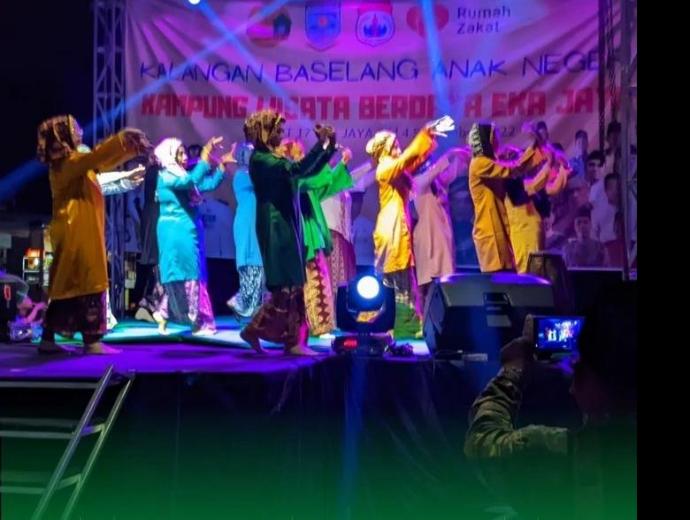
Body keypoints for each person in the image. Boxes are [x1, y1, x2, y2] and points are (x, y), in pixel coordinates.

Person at [464, 284, 636, 519]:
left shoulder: (556, 454)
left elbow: (481, 444)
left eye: (582, 361)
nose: (575, 367)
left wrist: (512, 371)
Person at [36, 115, 152, 354]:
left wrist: (128, 150)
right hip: (77, 234)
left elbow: (101, 163)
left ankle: (48, 339)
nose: (79, 131)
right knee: (88, 282)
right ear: (63, 136)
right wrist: (123, 140)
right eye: (74, 129)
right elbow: (96, 157)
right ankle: (92, 341)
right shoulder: (68, 163)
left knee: (65, 286)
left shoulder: (73, 165)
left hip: (76, 232)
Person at [239, 109, 336, 356]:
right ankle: (288, 340)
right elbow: (297, 169)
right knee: (287, 286)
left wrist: (328, 146)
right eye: (278, 130)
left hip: (287, 223)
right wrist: (320, 145)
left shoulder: (272, 158)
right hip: (275, 226)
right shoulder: (262, 160)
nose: (282, 134)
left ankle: (283, 338)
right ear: (265, 132)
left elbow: (307, 172)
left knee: (293, 284)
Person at [365, 115, 455, 338]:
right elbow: (405, 160)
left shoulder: (396, 169)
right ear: (386, 149)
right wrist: (424, 132)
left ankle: (404, 323)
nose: (398, 147)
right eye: (394, 145)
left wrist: (429, 137)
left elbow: (412, 161)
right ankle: (397, 323)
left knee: (401, 274)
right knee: (394, 275)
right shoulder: (384, 168)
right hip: (391, 227)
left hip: (398, 225)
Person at [152, 136, 231, 336]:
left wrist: (221, 166)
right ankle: (199, 322)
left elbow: (206, 184)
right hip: (174, 231)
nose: (185, 157)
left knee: (188, 273)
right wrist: (204, 157)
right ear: (169, 156)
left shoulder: (181, 175)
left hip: (187, 230)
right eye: (179, 153)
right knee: (188, 274)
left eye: (184, 152)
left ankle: (163, 313)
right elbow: (189, 181)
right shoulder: (166, 176)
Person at [278, 139, 354, 338]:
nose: (304, 157)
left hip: (310, 233)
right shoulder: (290, 177)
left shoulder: (302, 180)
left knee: (315, 280)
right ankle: (317, 326)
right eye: (300, 154)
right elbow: (314, 180)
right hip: (301, 234)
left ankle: (314, 324)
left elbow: (326, 185)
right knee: (313, 281)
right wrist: (326, 155)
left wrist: (342, 164)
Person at [467, 122, 546, 273]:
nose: (498, 141)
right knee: (497, 280)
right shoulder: (479, 163)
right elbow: (513, 169)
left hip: (498, 229)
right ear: (487, 140)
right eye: (495, 137)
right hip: (489, 232)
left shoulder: (488, 163)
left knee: (506, 278)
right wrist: (531, 147)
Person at [412, 147, 469, 306]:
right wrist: (449, 154)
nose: (429, 165)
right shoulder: (417, 183)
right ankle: (423, 315)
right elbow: (435, 171)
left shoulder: (437, 184)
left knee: (446, 280)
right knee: (427, 283)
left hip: (442, 238)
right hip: (428, 238)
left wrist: (462, 155)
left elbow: (451, 173)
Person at [227, 142, 265, 320]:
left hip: (255, 221)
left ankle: (252, 310)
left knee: (258, 266)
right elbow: (261, 181)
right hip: (247, 223)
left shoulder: (251, 175)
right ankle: (241, 304)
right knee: (251, 263)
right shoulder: (242, 175)